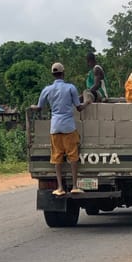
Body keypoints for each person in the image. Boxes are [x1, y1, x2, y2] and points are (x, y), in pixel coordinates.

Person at [30, 62, 86, 196]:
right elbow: (78, 107)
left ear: (53, 75)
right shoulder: (70, 88)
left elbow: (39, 107)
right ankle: (74, 186)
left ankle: (60, 187)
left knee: (57, 157)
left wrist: (32, 107)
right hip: (68, 127)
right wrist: (87, 103)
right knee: (72, 156)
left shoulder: (47, 90)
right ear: (63, 73)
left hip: (55, 127)